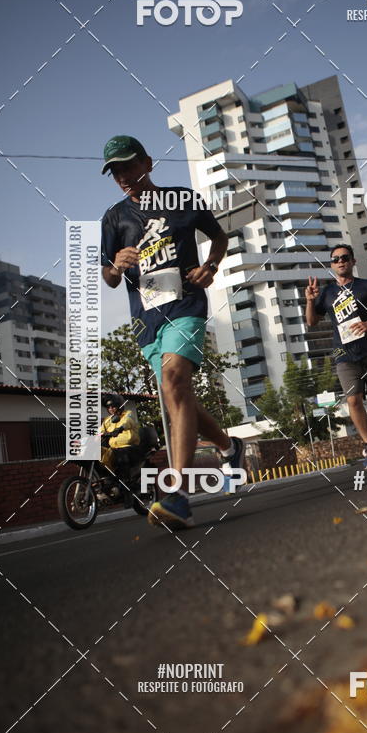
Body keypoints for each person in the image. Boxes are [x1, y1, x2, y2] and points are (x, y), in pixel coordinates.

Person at [100, 135, 244, 530]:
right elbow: (110, 278)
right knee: (176, 395)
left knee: (174, 380)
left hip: (186, 306)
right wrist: (116, 263)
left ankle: (178, 495)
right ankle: (230, 447)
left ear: (147, 162)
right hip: (147, 319)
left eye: (128, 166)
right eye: (115, 171)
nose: (123, 176)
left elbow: (218, 237)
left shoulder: (183, 199)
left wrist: (210, 268)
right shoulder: (113, 218)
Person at [305, 243, 367, 469]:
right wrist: (310, 300)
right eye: (336, 259)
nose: (340, 261)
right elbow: (311, 322)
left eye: (344, 257)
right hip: (344, 354)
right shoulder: (327, 293)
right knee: (352, 399)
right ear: (332, 265)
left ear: (352, 261)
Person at [99, 394, 141, 505]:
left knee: (121, 458)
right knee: (102, 458)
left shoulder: (128, 414)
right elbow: (99, 431)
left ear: (119, 406)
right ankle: (108, 484)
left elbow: (128, 422)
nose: (111, 409)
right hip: (114, 448)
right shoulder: (107, 420)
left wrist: (120, 428)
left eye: (113, 406)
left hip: (128, 447)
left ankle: (128, 492)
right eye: (108, 407)